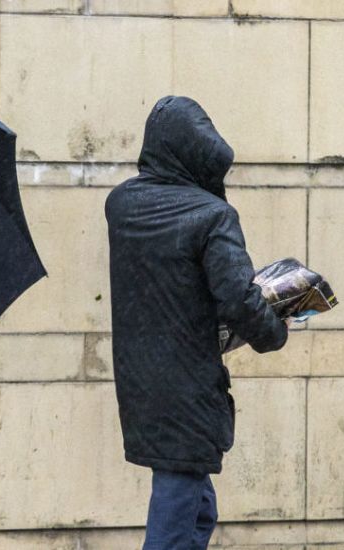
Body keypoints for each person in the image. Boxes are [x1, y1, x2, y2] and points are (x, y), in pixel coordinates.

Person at [104, 97, 289, 549]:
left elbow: (174, 281)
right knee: (176, 507)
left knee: (197, 505)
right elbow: (238, 298)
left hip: (140, 376)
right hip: (188, 380)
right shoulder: (212, 216)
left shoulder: (122, 205)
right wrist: (276, 326)